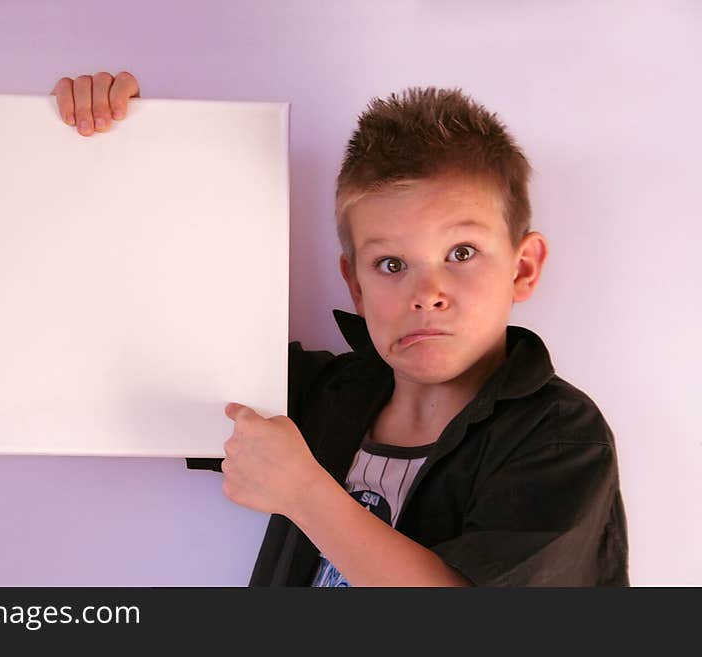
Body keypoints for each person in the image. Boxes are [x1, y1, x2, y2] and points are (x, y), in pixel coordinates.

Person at [50, 72, 629, 586]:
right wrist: (109, 145)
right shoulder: (314, 397)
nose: (426, 293)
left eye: (461, 251)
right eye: (391, 265)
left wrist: (307, 494)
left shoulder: (560, 437)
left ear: (522, 267)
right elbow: (132, 336)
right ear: (355, 284)